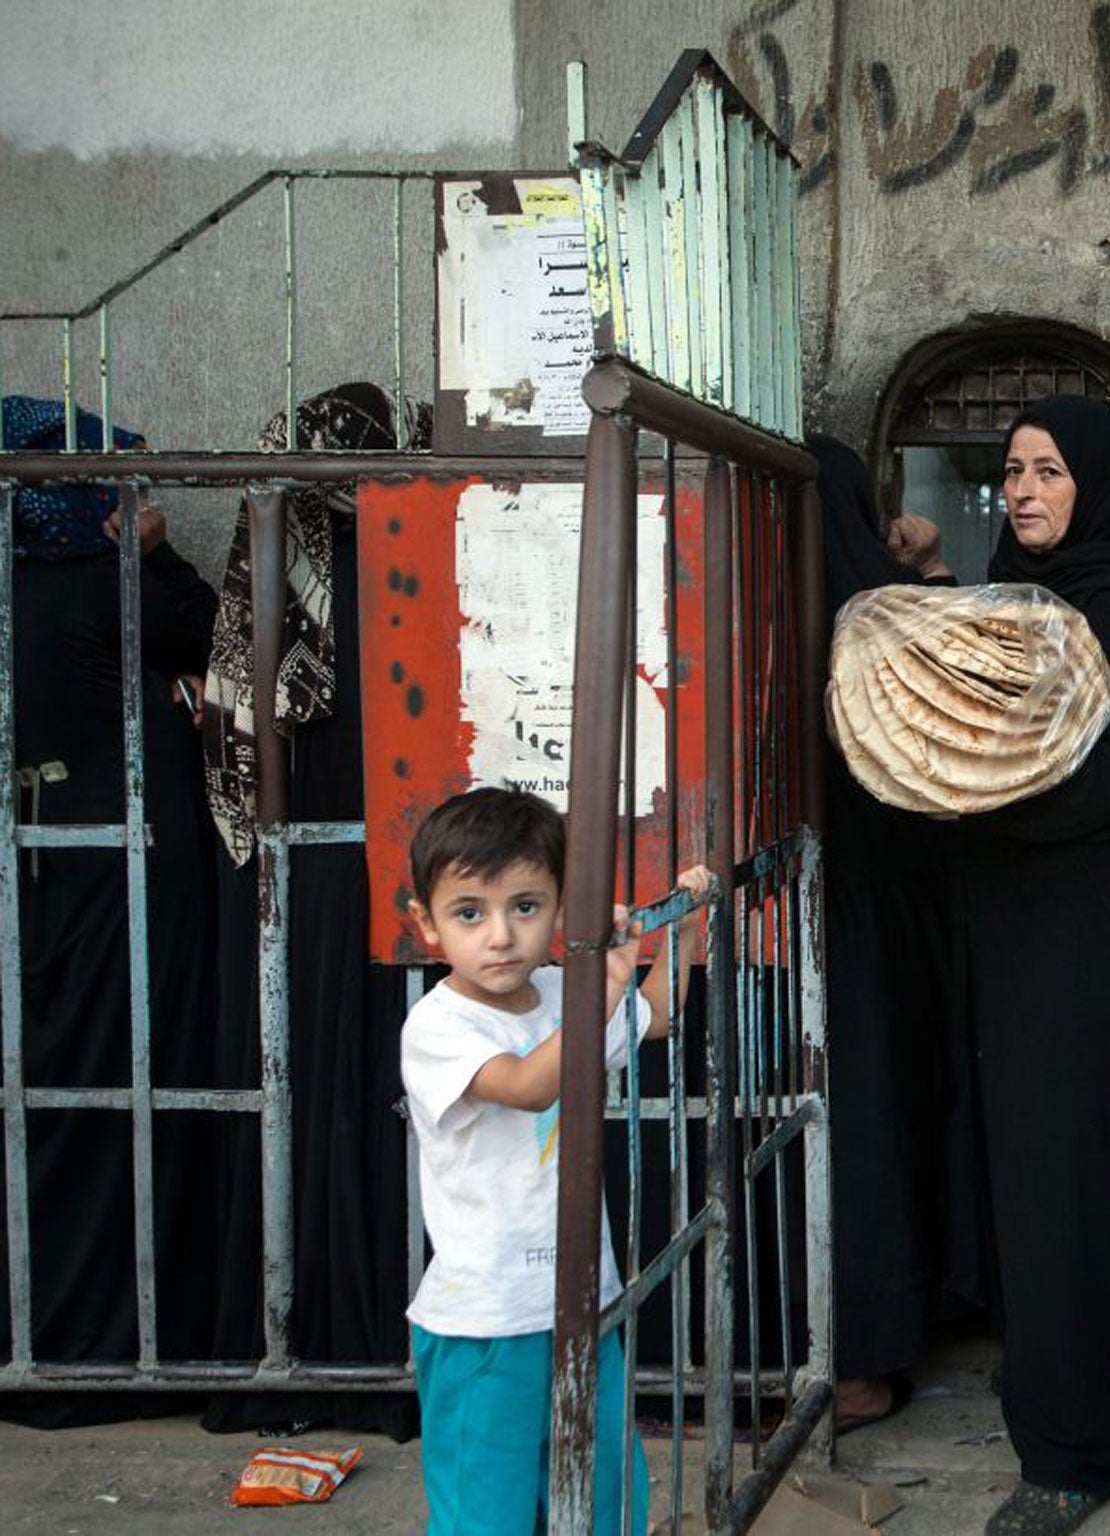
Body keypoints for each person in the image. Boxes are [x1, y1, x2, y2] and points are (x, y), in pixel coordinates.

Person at [893, 398, 1110, 1534]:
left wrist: (966, 790)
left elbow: (1109, 790)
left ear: (1101, 485)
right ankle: (1056, 1412)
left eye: (1050, 470)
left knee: (1074, 1188)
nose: (1023, 488)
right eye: (1012, 469)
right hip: (1021, 952)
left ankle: (1078, 1452)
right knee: (1029, 1179)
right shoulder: (1017, 605)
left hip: (1085, 960)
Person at [200, 382, 426, 1437]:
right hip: (355, 857)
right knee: (363, 1089)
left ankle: (354, 1333)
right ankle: (352, 1336)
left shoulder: (299, 533)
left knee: (365, 1087)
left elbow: (243, 708)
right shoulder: (350, 530)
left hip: (383, 858)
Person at [399, 785, 711, 1533]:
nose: (500, 935)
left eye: (526, 907)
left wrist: (684, 928)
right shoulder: (437, 1025)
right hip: (484, 1325)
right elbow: (530, 1087)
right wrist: (602, 989)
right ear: (427, 924)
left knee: (606, 1499)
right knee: (489, 1514)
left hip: (583, 1303)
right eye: (469, 912)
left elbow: (659, 1016)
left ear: (561, 906)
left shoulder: (560, 991)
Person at [3, 397, 219, 1416]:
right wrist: (155, 552)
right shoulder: (107, 579)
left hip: (34, 864)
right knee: (137, 1085)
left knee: (40, 1098)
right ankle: (124, 1344)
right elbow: (225, 634)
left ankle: (33, 1338)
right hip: (129, 868)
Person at [807, 434, 978, 1433]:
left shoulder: (740, 600)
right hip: (882, 913)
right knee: (871, 1117)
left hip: (783, 908)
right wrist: (924, 573)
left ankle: (836, 1355)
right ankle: (870, 1351)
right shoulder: (875, 610)